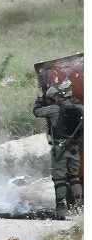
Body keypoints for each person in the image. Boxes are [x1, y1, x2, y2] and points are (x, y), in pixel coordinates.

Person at [33, 82, 84, 219]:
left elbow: (37, 112)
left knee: (59, 179)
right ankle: (80, 206)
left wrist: (39, 99)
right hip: (74, 149)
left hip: (60, 148)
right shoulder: (81, 109)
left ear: (61, 96)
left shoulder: (54, 109)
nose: (54, 98)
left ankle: (61, 208)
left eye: (56, 96)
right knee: (73, 177)